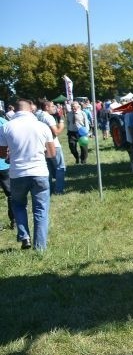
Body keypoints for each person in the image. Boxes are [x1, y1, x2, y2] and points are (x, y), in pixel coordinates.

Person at [0, 99, 55, 250]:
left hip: (17, 172)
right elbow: (51, 153)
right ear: (30, 109)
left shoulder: (6, 127)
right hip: (39, 172)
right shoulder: (42, 126)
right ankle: (40, 246)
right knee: (41, 209)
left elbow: (2, 153)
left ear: (15, 110)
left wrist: (10, 154)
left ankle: (24, 235)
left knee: (18, 204)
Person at [37, 101, 67, 194]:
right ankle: (59, 190)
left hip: (43, 145)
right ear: (46, 107)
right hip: (53, 145)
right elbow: (56, 132)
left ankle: (47, 189)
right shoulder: (48, 117)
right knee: (60, 167)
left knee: (48, 168)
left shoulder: (38, 115)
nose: (54, 108)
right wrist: (61, 122)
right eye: (52, 106)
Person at [0, 115, 13, 230]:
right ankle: (14, 220)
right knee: (10, 193)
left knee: (11, 194)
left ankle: (14, 219)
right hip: (3, 164)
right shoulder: (4, 122)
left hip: (3, 164)